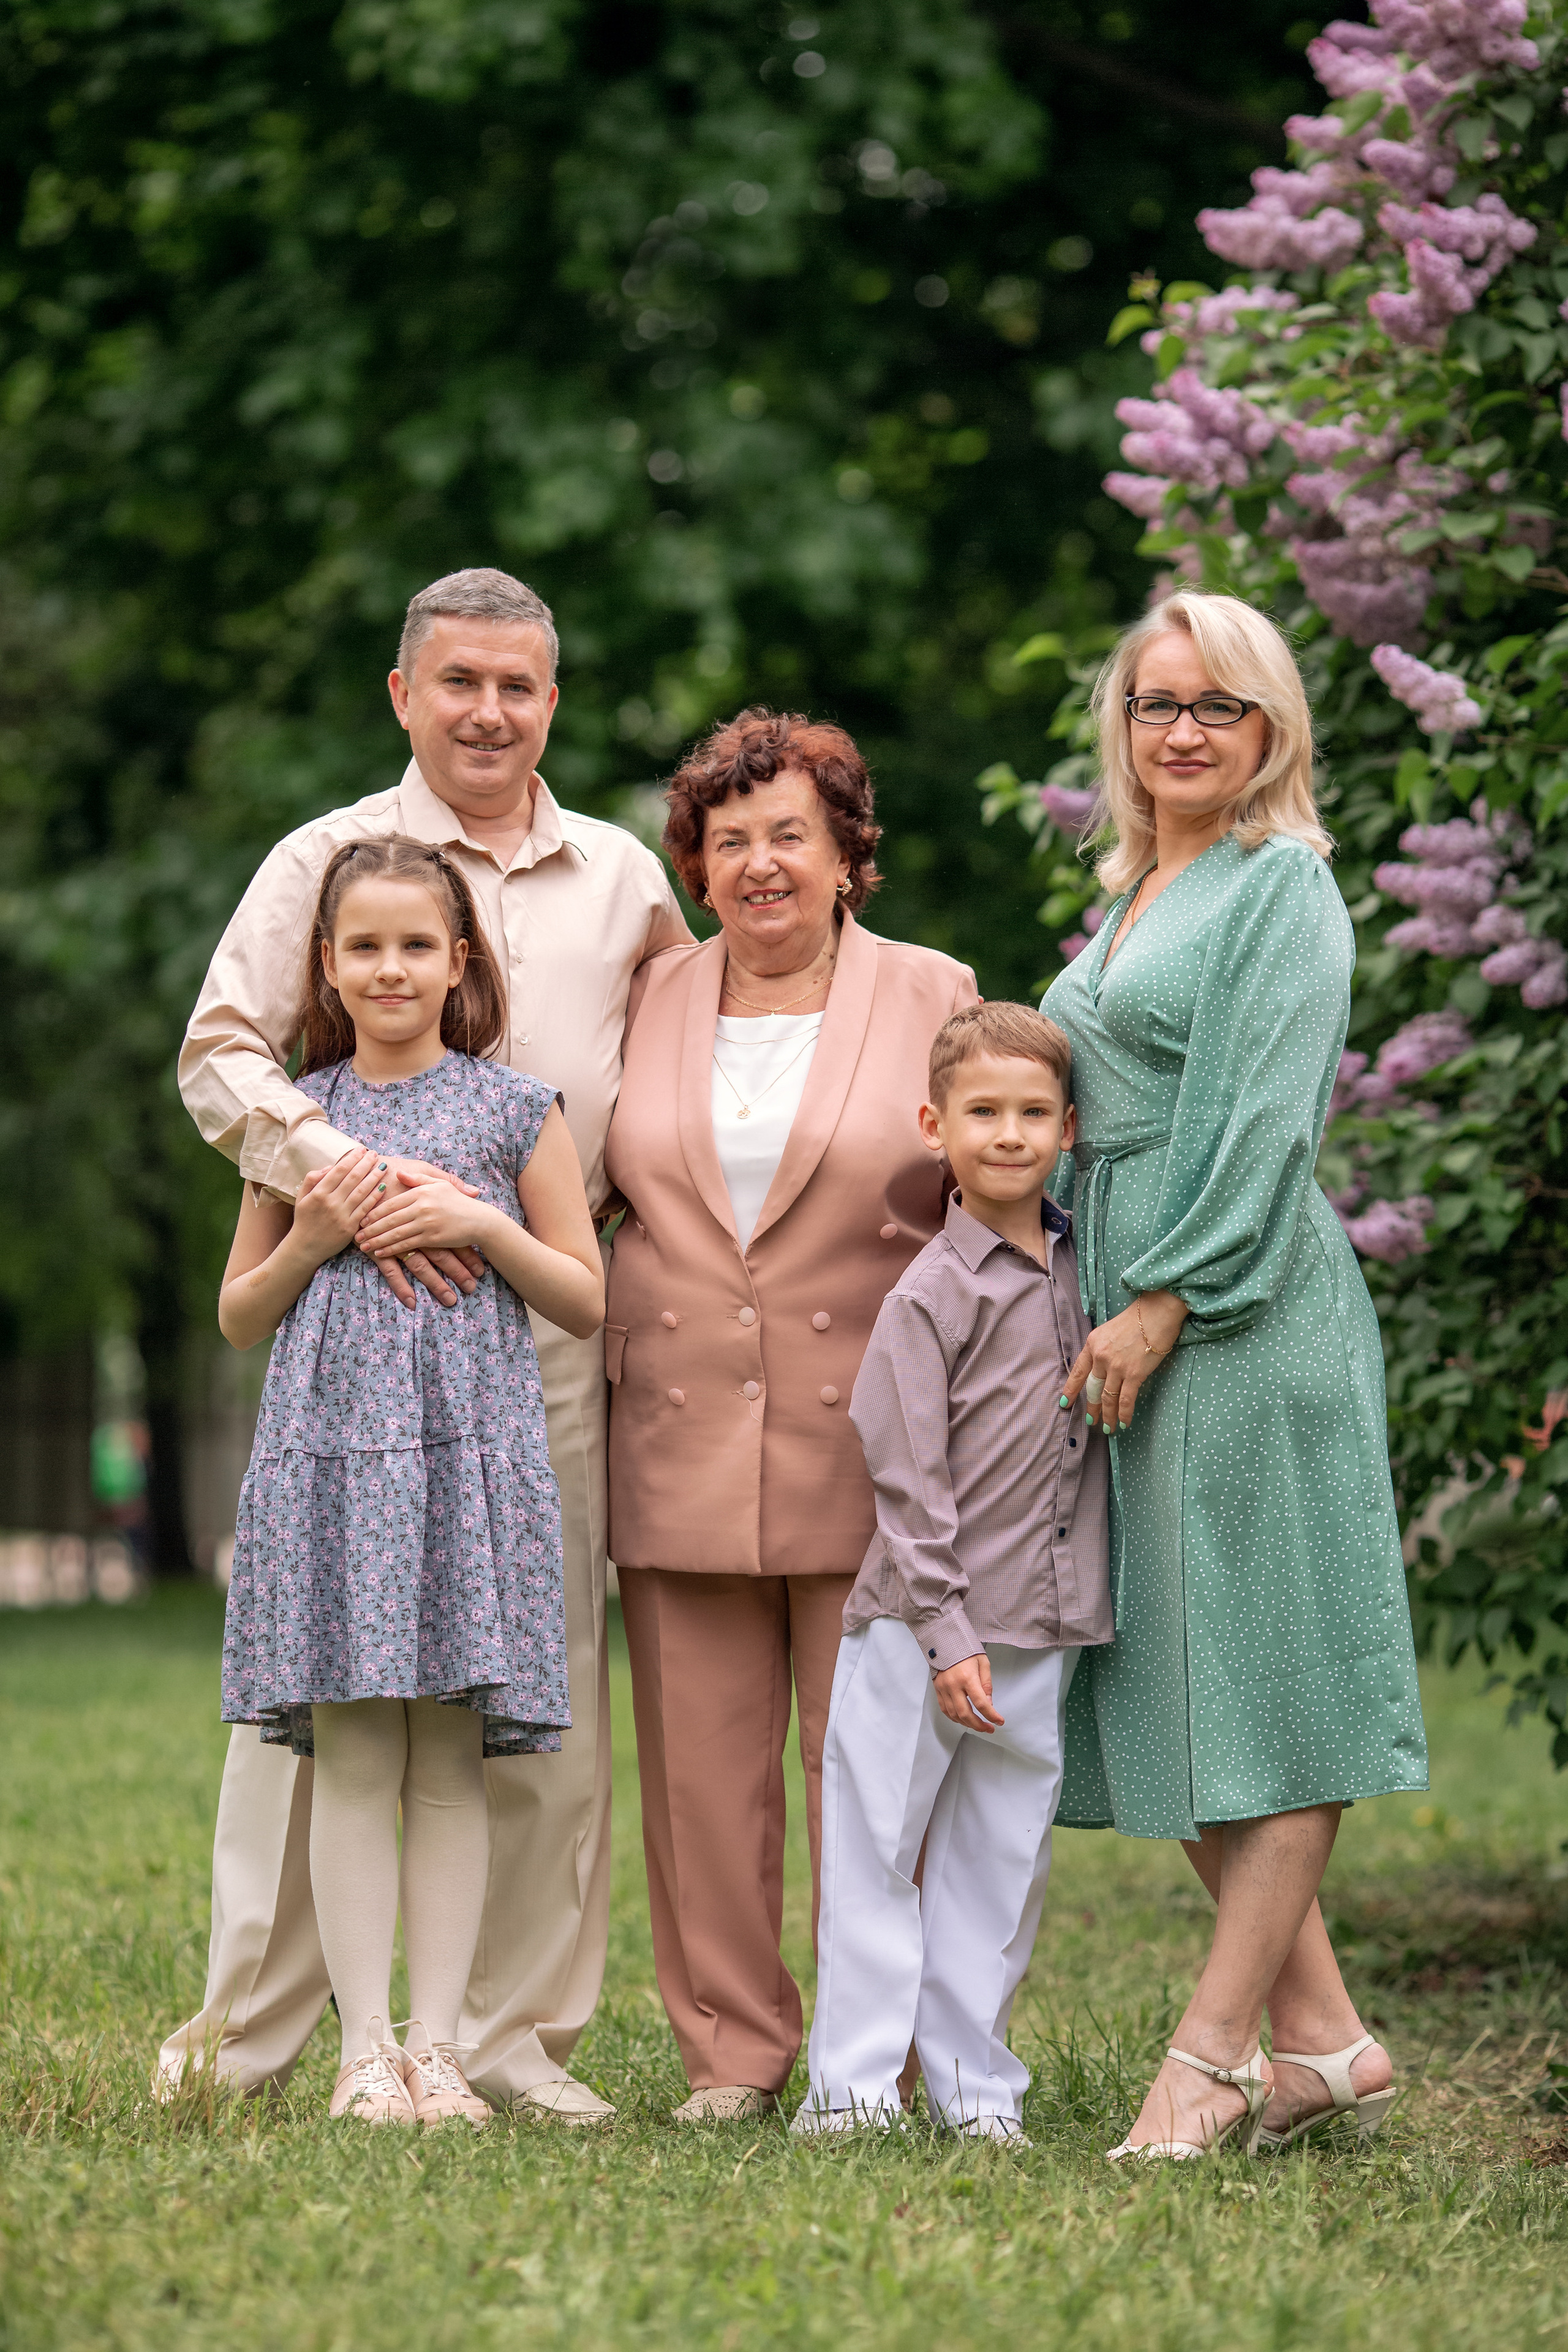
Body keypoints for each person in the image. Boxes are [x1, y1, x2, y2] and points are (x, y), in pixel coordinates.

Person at [160, 568, 691, 2120]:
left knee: (532, 1696)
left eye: (518, 685)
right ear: (404, 694)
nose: (488, 711)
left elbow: (680, 1061)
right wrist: (348, 1182)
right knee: (318, 1723)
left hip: (536, 1329)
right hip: (343, 1337)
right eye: (459, 681)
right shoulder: (323, 859)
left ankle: (502, 2039)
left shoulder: (620, 877)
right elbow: (221, 1050)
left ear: (552, 702)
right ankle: (264, 2033)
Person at [1045, 590, 1428, 2160]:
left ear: (1270, 728)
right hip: (1122, 1304)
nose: (1183, 730)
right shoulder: (1139, 888)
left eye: (1218, 705)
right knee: (1167, 1671)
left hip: (1236, 1308)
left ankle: (1207, 2057)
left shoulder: (1281, 886)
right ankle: (1324, 2043)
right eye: (1157, 703)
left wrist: (1164, 1298)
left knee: (1266, 1681)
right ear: (1123, 727)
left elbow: (1266, 1121)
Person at [602, 708, 978, 2121]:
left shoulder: (932, 991)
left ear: (844, 853)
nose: (760, 863)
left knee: (873, 1775)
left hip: (875, 1441)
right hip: (676, 1428)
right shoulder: (647, 996)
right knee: (700, 1783)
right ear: (695, 865)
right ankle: (731, 2053)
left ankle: (877, 2057)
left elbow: (990, 1204)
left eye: (790, 835)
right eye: (729, 839)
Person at [218, 837, 604, 2125]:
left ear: (458, 962)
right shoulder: (292, 1120)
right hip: (334, 1467)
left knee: (446, 1757)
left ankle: (439, 2050)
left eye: (417, 945)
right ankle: (363, 2055)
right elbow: (238, 1314)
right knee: (350, 1755)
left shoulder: (515, 1111)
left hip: (462, 1469)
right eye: (366, 947)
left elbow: (584, 1297)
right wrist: (314, 1234)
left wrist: (480, 1224)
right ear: (327, 964)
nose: (391, 968)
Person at [797, 1003, 1110, 2141]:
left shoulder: (1087, 1266)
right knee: (878, 1853)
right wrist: (945, 1632)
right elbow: (906, 1472)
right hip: (921, 1628)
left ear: (1069, 1129)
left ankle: (977, 2097)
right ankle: (852, 2097)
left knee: (1001, 1863)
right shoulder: (930, 1293)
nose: (1009, 1134)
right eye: (983, 1112)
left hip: (1041, 1620)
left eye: (1033, 1113)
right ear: (936, 1127)